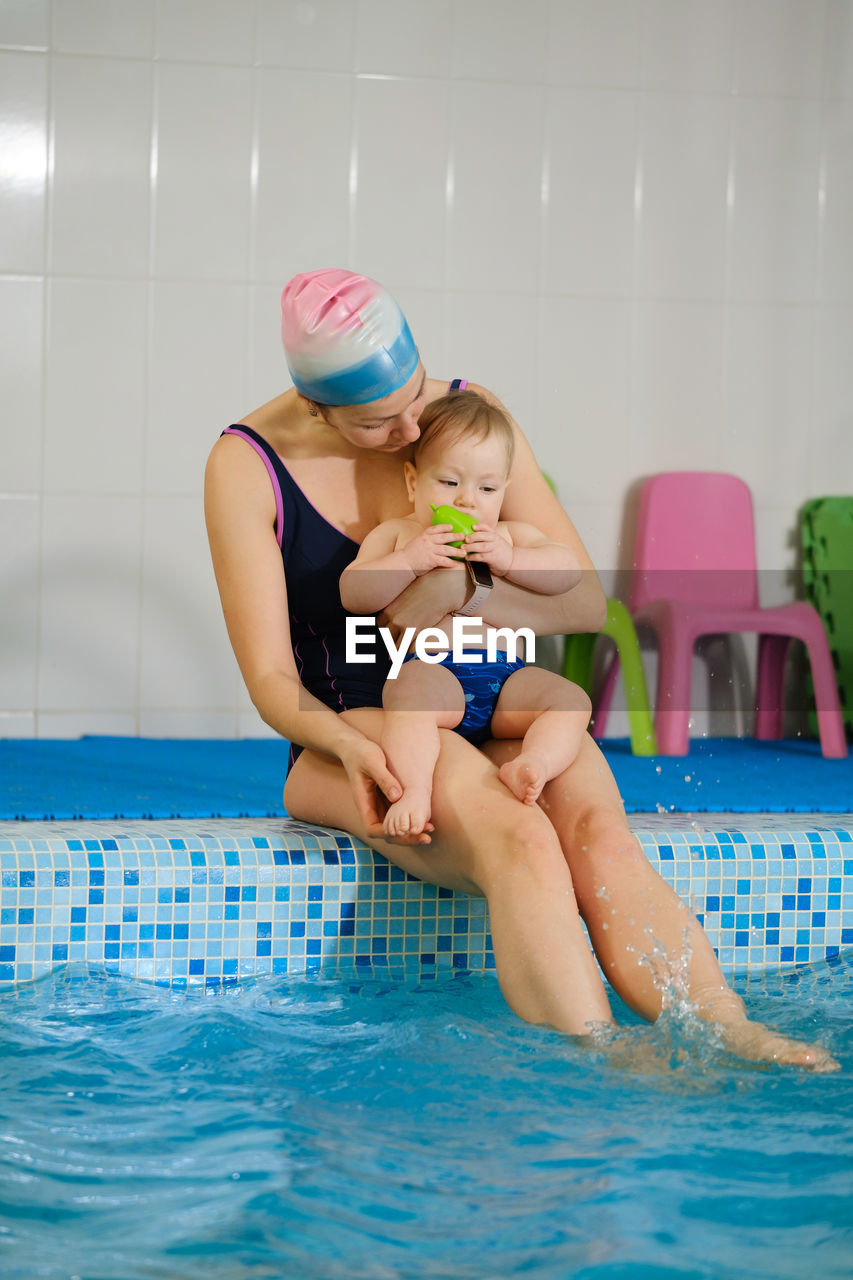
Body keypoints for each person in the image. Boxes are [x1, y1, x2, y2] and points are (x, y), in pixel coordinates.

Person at [204, 267, 836, 1070]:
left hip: (484, 688)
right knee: (519, 836)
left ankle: (724, 1024)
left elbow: (577, 605)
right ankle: (600, 1051)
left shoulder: (466, 415)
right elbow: (270, 682)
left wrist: (455, 603)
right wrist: (354, 749)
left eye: (414, 397)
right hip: (355, 724)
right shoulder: (246, 467)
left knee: (597, 831)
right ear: (316, 407)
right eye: (376, 423)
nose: (410, 430)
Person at [339, 388, 592, 838]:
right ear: (414, 483)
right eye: (450, 483)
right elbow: (352, 593)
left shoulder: (511, 538)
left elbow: (569, 571)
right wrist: (411, 561)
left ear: (504, 492)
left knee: (571, 701)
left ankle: (533, 764)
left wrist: (510, 561)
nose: (467, 502)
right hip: (436, 675)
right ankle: (414, 790)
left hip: (507, 681)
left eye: (487, 488)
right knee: (408, 693)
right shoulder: (400, 536)